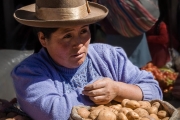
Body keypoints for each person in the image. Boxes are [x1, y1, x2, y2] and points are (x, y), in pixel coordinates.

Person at [11, 0, 163, 119]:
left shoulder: (108, 57)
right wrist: (101, 94)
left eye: (84, 31)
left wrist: (117, 89)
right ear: (43, 39)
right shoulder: (28, 73)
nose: (78, 44)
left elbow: (155, 90)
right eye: (67, 35)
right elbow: (54, 113)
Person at [89, 0, 160, 68]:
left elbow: (98, 14)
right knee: (138, 72)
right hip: (138, 36)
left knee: (118, 71)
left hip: (116, 38)